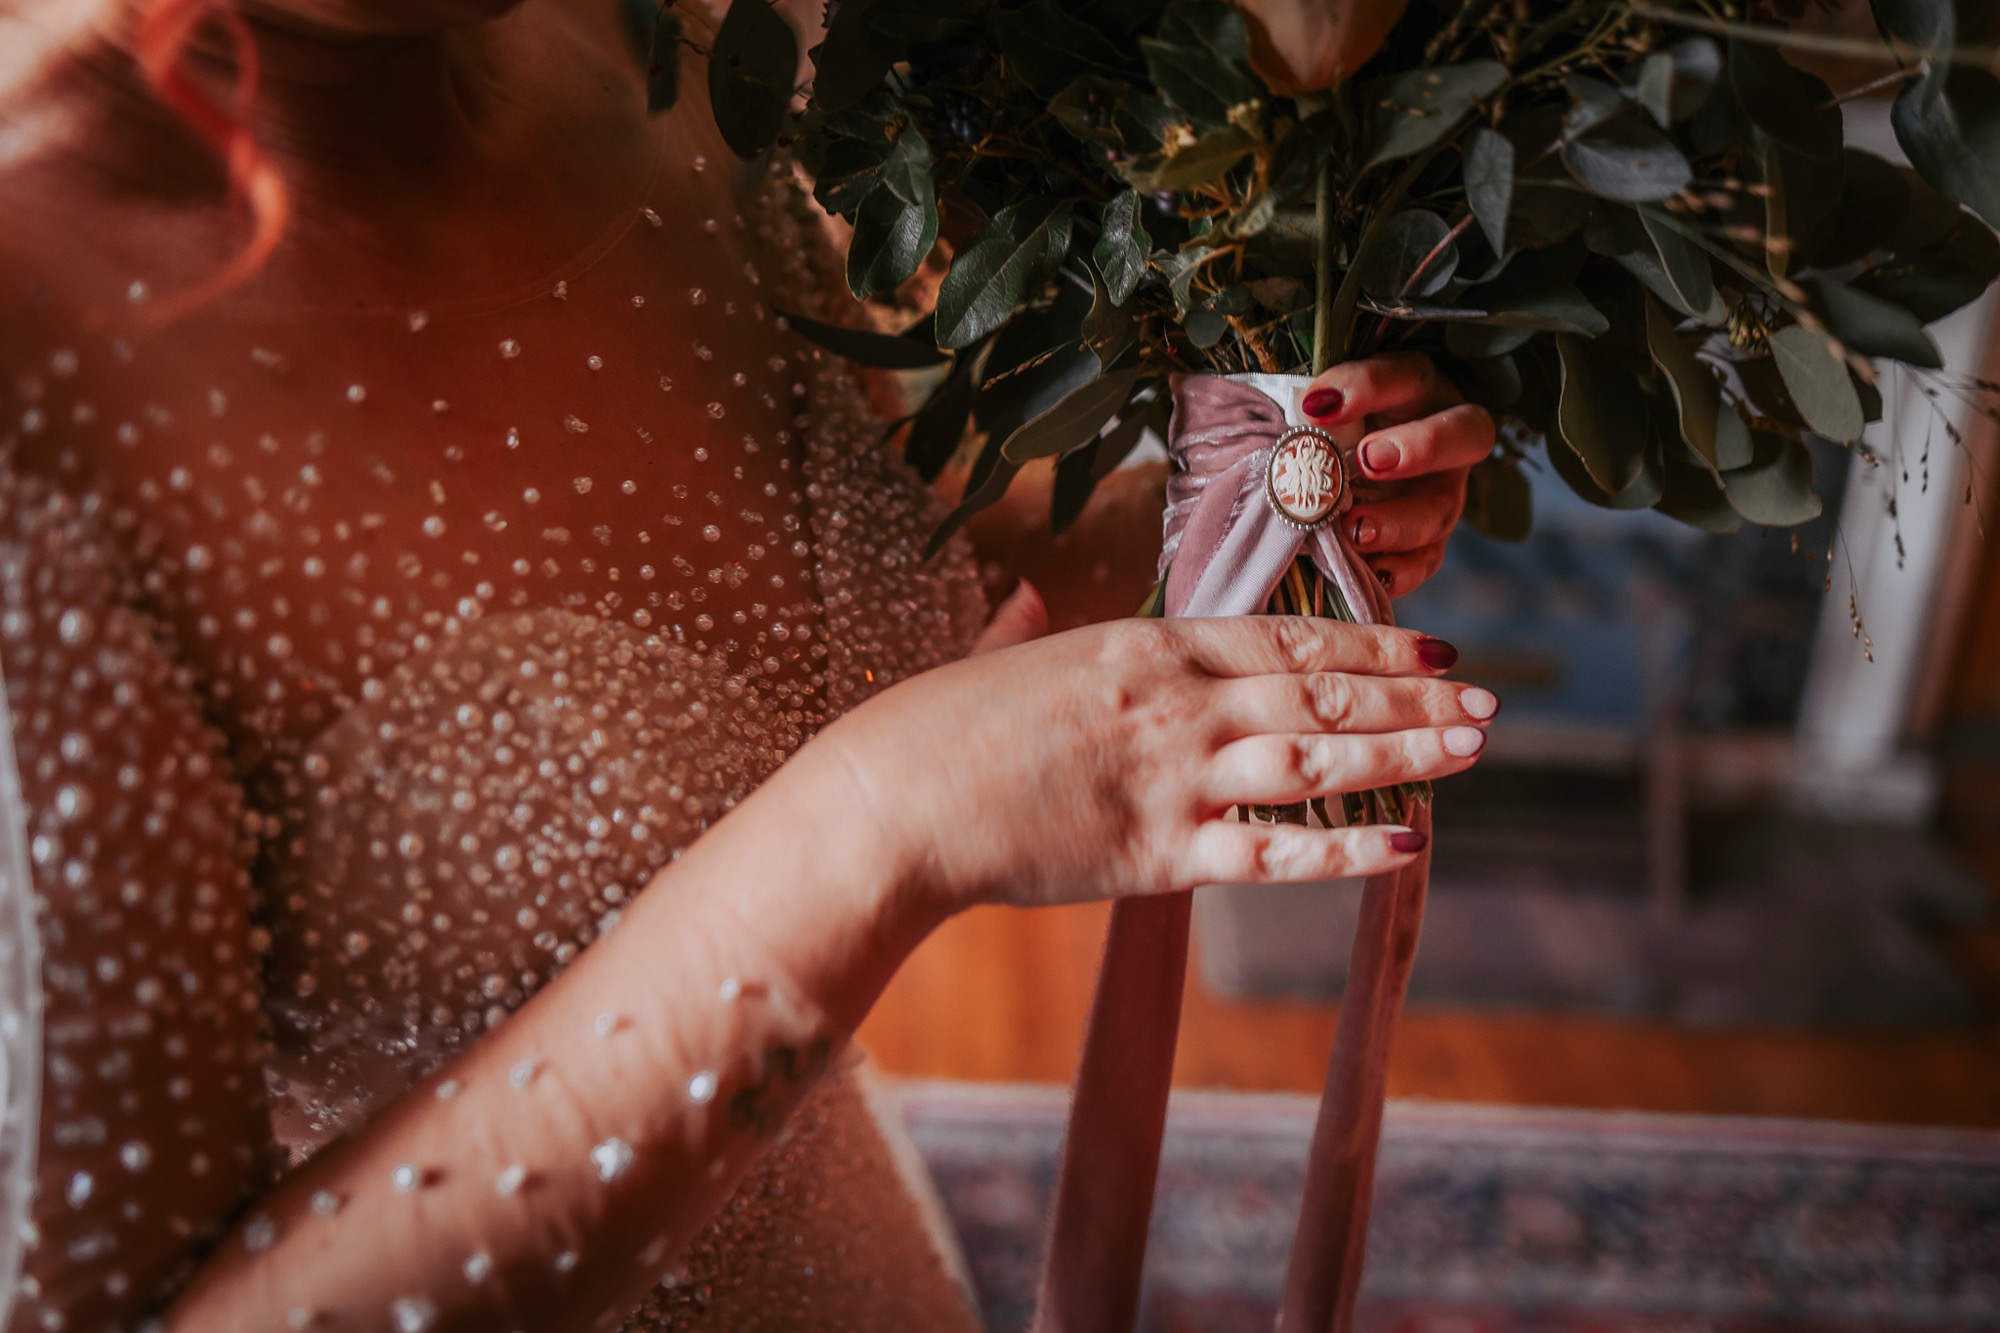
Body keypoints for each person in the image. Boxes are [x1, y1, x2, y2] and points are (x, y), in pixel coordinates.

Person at [0, 0, 1501, 1328]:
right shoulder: (28, 385)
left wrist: (1263, 494)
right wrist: (882, 827)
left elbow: (921, 527)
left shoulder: (695, 42)